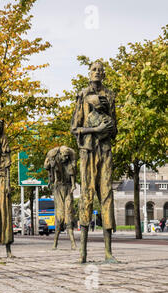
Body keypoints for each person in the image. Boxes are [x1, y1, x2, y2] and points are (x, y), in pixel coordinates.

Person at [71, 60, 117, 263]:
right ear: (89, 73)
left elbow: (115, 130)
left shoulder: (110, 95)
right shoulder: (82, 95)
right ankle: (83, 253)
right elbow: (75, 129)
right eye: (94, 70)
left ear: (104, 75)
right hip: (87, 151)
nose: (97, 73)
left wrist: (107, 121)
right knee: (87, 195)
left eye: (100, 70)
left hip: (105, 150)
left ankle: (108, 252)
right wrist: (95, 130)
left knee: (107, 195)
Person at [44, 146, 77, 250]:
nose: (66, 158)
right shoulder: (53, 156)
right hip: (58, 188)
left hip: (68, 188)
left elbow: (72, 173)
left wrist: (73, 185)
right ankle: (55, 243)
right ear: (60, 155)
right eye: (64, 156)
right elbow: (46, 167)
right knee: (60, 216)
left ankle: (73, 243)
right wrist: (50, 178)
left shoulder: (70, 160)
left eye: (68, 156)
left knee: (69, 214)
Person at [0, 118, 14, 258]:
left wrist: (8, 184)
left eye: (1, 126)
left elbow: (7, 167)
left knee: (5, 213)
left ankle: (8, 249)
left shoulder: (4, 141)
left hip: (2, 180)